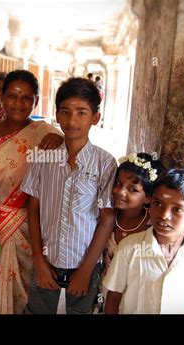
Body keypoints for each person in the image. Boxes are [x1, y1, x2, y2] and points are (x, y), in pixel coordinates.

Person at [21, 77, 117, 314]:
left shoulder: (105, 163)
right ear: (57, 115)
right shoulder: (44, 156)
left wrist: (85, 271)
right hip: (47, 259)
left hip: (85, 263)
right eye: (65, 112)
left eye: (81, 113)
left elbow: (106, 219)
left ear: (95, 117)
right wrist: (39, 260)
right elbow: (33, 208)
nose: (72, 120)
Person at [0, 70, 63, 314]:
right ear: (1, 98)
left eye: (27, 97)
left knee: (22, 289)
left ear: (35, 101)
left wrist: (61, 142)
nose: (19, 103)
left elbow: (67, 164)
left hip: (25, 225)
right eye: (13, 96)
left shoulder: (47, 134)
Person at [104, 169, 184, 314]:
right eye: (158, 204)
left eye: (177, 209)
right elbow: (114, 296)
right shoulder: (129, 248)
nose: (164, 215)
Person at [96, 152, 164, 312]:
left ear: (148, 197)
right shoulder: (107, 218)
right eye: (118, 183)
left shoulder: (151, 227)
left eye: (132, 189)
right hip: (105, 288)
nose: (120, 192)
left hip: (134, 295)